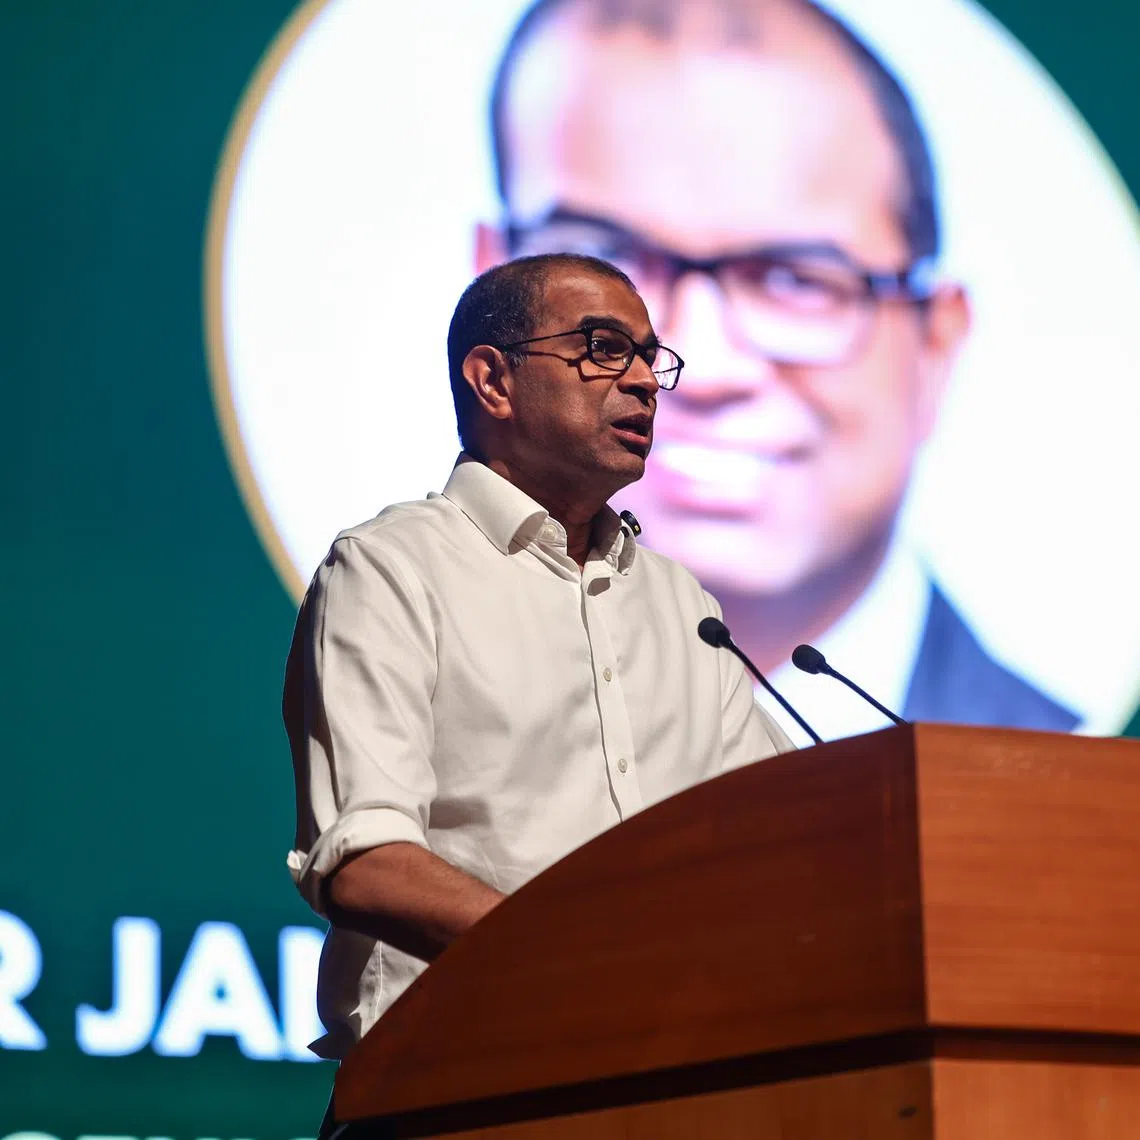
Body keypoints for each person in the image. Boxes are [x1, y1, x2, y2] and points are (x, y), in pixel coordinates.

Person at [475, 0, 1079, 739]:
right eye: (607, 265)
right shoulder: (409, 707)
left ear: (935, 346)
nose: (698, 365)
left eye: (795, 280)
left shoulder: (1078, 781)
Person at [283, 253, 793, 1090]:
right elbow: (365, 863)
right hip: (457, 1084)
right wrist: (589, 961)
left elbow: (788, 836)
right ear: (492, 380)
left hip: (669, 1085)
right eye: (602, 347)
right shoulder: (394, 568)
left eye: (648, 357)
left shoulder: (678, 601)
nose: (642, 382)